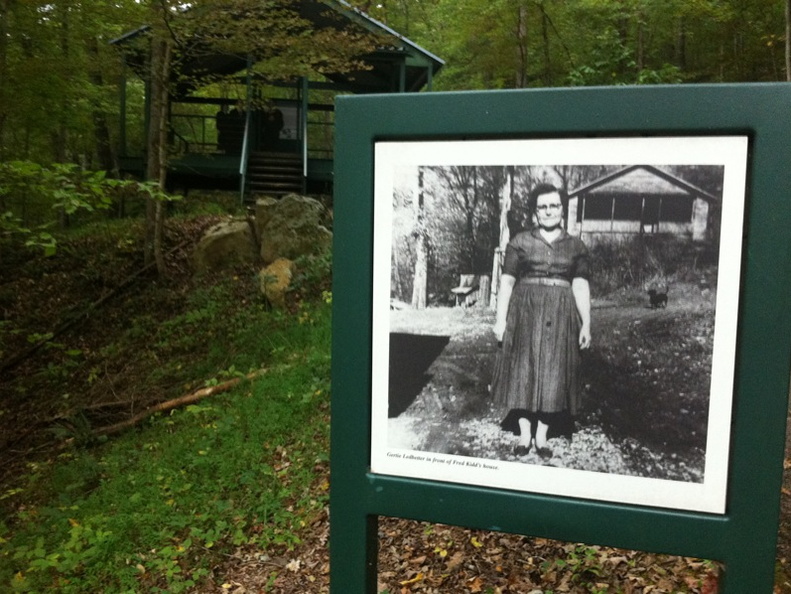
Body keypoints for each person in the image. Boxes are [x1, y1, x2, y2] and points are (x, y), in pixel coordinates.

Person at [491, 183, 591, 459]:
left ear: (562, 209)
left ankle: (542, 436)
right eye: (543, 206)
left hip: (562, 314)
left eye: (554, 206)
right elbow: (507, 282)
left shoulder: (576, 246)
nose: (549, 211)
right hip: (525, 312)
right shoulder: (520, 242)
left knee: (554, 371)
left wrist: (587, 324)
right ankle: (524, 434)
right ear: (535, 212)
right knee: (523, 368)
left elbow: (581, 286)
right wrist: (500, 321)